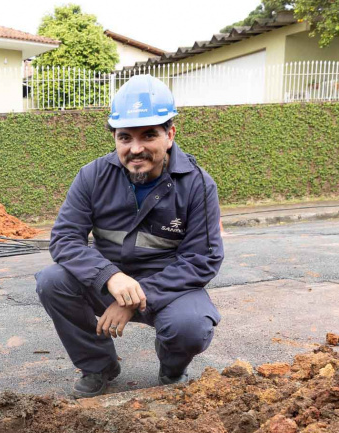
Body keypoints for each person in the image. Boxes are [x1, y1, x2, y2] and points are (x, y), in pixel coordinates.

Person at [35, 74, 224, 399]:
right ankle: (99, 366)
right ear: (115, 139)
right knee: (52, 282)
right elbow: (65, 239)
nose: (136, 148)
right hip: (106, 284)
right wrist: (110, 278)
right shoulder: (92, 176)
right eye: (125, 137)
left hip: (169, 290)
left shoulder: (197, 185)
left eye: (148, 135)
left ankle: (172, 365)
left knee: (190, 326)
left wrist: (133, 299)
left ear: (170, 134)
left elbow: (202, 260)